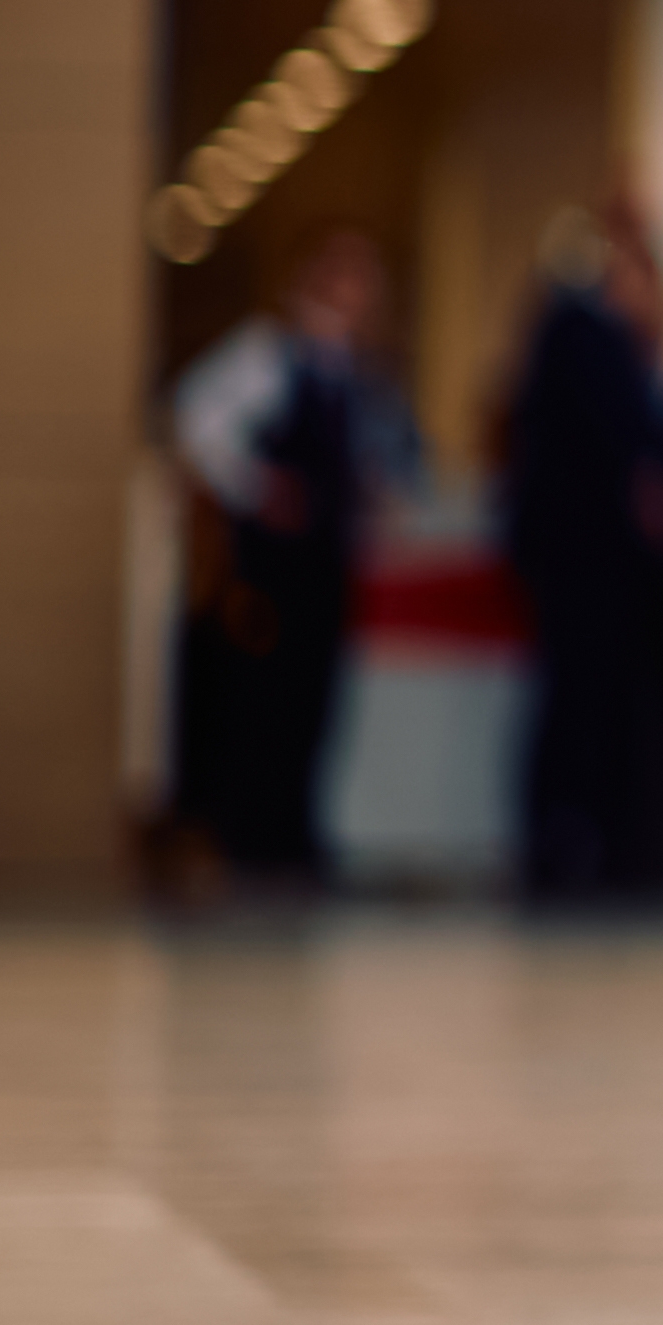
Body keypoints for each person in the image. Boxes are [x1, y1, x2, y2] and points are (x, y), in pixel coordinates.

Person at [163, 224, 409, 888]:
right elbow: (195, 420)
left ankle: (294, 833)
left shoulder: (354, 372)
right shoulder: (267, 354)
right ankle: (250, 836)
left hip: (327, 564)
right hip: (274, 566)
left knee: (313, 700)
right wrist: (258, 487)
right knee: (261, 700)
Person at [505, 211, 663, 901]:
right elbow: (604, 445)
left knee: (602, 698)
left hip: (610, 564)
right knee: (578, 694)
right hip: (581, 554)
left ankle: (598, 832)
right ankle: (566, 834)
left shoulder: (631, 352)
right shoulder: (581, 332)